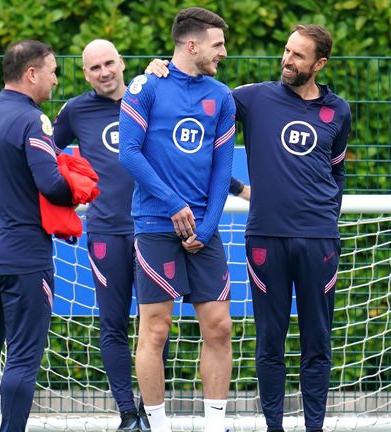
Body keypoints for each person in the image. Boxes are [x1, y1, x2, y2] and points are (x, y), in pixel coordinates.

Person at [147, 23, 351, 432]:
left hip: (319, 242)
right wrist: (160, 68)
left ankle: (315, 427)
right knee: (269, 342)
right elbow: (197, 104)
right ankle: (273, 426)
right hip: (265, 240)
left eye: (298, 55)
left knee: (317, 343)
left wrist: (326, 216)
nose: (287, 60)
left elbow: (337, 173)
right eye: (287, 50)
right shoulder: (253, 98)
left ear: (320, 64)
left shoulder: (338, 110)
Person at [118, 7, 236, 432]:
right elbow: (128, 152)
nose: (223, 51)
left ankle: (215, 425)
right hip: (154, 224)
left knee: (220, 327)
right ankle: (159, 425)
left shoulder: (222, 96)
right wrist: (172, 203)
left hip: (204, 230)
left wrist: (206, 227)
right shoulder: (145, 86)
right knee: (155, 330)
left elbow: (224, 166)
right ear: (192, 44)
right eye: (217, 44)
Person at [0, 39, 74, 432]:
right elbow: (51, 183)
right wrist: (80, 186)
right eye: (53, 71)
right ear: (32, 73)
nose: (57, 80)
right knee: (22, 358)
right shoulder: (32, 119)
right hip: (24, 258)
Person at [52, 39, 152, 432]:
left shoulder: (149, 101)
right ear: (85, 74)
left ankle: (150, 411)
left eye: (109, 63)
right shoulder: (75, 111)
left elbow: (184, 157)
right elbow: (43, 154)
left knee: (153, 326)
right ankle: (128, 414)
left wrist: (236, 189)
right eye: (94, 68)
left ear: (122, 62)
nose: (104, 72)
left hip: (152, 229)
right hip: (105, 232)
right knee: (113, 323)